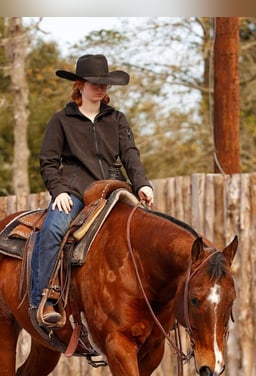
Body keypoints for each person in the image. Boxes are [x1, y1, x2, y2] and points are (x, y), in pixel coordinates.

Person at [30, 53, 154, 326]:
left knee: (148, 231)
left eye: (104, 83)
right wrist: (59, 191)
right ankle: (44, 298)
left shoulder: (117, 119)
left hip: (113, 189)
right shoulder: (61, 120)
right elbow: (49, 162)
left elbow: (130, 154)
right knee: (52, 229)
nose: (100, 88)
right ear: (79, 84)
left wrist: (142, 183)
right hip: (75, 191)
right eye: (94, 82)